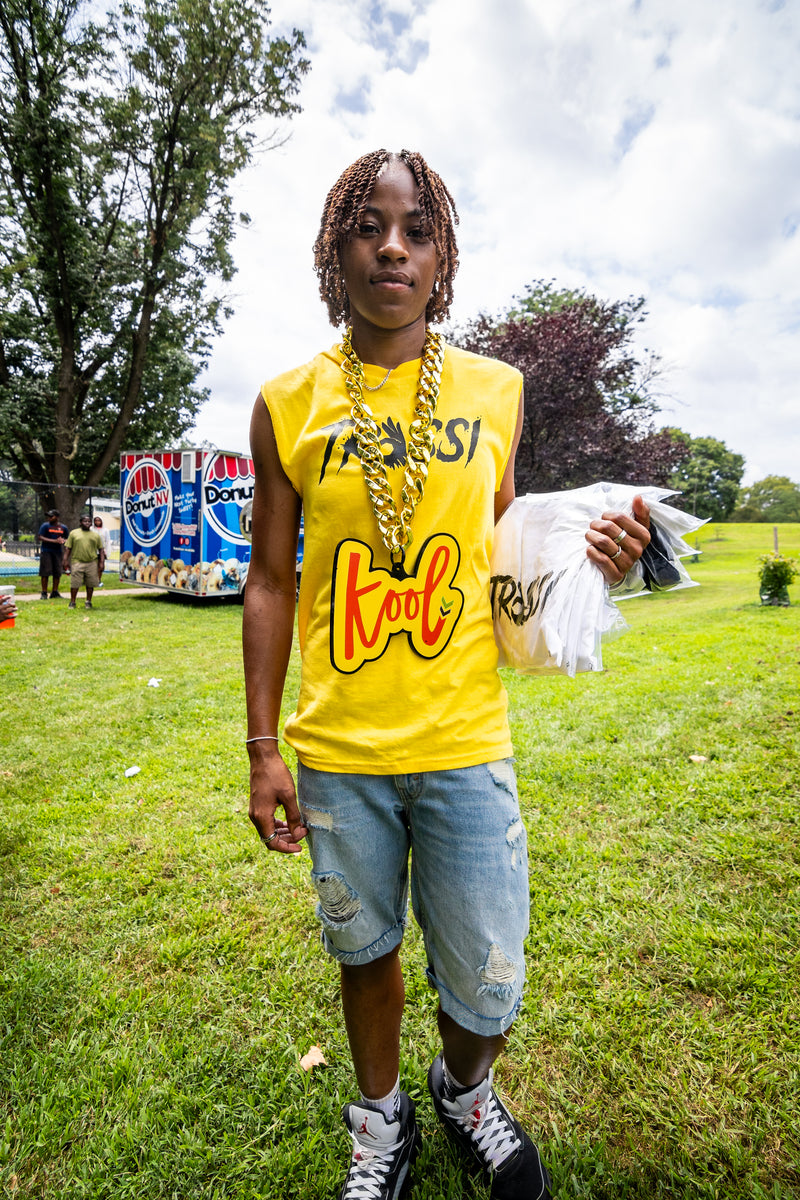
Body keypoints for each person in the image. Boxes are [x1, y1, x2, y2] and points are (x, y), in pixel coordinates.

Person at [243, 149, 651, 1200]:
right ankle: (382, 1121)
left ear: (441, 256)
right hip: (338, 753)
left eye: (416, 229)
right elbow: (270, 582)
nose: (392, 245)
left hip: (465, 741)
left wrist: (592, 562)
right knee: (363, 952)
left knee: (487, 982)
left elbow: (510, 559)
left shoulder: (496, 390)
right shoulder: (286, 402)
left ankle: (461, 1089)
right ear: (335, 249)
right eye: (369, 227)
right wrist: (260, 751)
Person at [63, 514, 105, 609]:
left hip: (92, 562)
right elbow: (68, 548)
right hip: (77, 561)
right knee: (75, 583)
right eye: (85, 521)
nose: (87, 523)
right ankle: (72, 602)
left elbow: (101, 550)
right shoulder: (74, 533)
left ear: (91, 523)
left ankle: (88, 601)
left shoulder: (95, 535)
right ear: (80, 523)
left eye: (89, 521)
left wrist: (101, 563)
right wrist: (65, 560)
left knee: (90, 584)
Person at [37, 509, 69, 599]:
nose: (49, 518)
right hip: (46, 551)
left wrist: (62, 541)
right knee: (45, 572)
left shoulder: (63, 528)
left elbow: (67, 539)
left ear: (57, 517)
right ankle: (44, 592)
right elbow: (40, 537)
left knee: (57, 572)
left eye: (51, 516)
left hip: (58, 552)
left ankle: (55, 592)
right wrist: (54, 541)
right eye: (48, 516)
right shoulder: (45, 526)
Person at [92, 516, 111, 587]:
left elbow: (107, 541)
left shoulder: (105, 530)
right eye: (96, 520)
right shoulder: (91, 529)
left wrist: (106, 550)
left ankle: (98, 580)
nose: (97, 522)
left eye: (99, 520)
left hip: (102, 551)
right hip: (93, 550)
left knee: (101, 567)